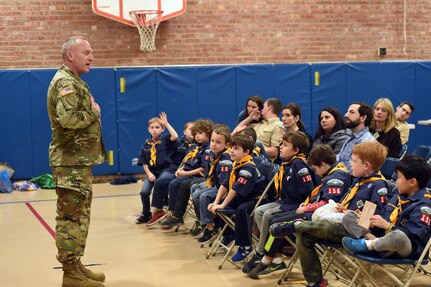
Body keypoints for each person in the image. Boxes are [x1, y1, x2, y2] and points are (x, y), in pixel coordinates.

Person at [269, 141, 390, 287]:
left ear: (366, 165)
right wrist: (342, 208)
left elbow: (370, 218)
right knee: (304, 235)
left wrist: (351, 214)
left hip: (358, 233)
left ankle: (298, 225)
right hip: (343, 222)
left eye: (354, 161)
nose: (350, 164)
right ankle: (315, 281)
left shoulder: (377, 186)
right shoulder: (358, 181)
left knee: (325, 228)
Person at [47, 36, 106, 287]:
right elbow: (68, 119)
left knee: (79, 217)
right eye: (86, 52)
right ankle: (70, 274)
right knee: (71, 219)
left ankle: (76, 266)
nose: (91, 57)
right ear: (70, 55)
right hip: (70, 163)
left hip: (77, 163)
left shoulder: (74, 81)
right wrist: (94, 111)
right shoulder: (65, 83)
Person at [246, 145, 351, 279]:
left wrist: (306, 207)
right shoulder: (331, 173)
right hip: (314, 212)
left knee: (278, 223)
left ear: (323, 164)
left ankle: (266, 260)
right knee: (274, 221)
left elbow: (328, 204)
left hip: (321, 217)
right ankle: (275, 260)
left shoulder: (336, 177)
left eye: (315, 168)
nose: (316, 173)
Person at [243, 131, 318, 276]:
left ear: (296, 150)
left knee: (268, 215)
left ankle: (260, 252)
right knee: (259, 211)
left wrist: (304, 207)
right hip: (285, 202)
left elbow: (309, 192)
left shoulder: (299, 165)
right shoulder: (288, 163)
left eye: (285, 145)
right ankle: (276, 258)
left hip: (297, 205)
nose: (281, 147)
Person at [342, 155, 431, 261]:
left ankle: (371, 245)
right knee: (349, 217)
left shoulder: (424, 206)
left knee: (399, 237)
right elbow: (383, 219)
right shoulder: (396, 197)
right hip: (383, 238)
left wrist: (389, 226)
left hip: (405, 248)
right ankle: (374, 243)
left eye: (399, 178)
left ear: (412, 182)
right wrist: (371, 221)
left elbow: (414, 236)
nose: (396, 181)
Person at [208, 134, 266, 262]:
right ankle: (229, 234)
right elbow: (225, 184)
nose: (231, 151)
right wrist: (217, 202)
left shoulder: (248, 168)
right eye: (231, 148)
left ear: (246, 152)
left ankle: (246, 246)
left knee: (241, 210)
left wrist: (222, 205)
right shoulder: (237, 164)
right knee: (217, 205)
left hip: (255, 199)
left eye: (236, 148)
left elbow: (235, 189)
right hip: (243, 196)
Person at [159, 119, 213, 228]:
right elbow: (188, 161)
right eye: (196, 133)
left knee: (181, 184)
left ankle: (179, 216)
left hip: (198, 176)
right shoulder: (195, 146)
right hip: (188, 173)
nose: (197, 136)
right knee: (172, 183)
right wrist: (181, 170)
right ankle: (174, 214)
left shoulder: (208, 149)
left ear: (208, 133)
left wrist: (184, 173)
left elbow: (202, 169)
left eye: (200, 133)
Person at [145, 121, 195, 226]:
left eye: (196, 130)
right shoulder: (178, 142)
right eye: (190, 129)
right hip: (174, 169)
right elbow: (173, 136)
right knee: (160, 181)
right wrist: (166, 124)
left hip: (187, 171)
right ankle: (158, 212)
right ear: (184, 131)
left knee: (174, 184)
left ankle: (173, 214)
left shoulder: (199, 144)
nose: (194, 132)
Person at [135, 113, 178, 224]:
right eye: (152, 128)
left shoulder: (165, 140)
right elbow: (143, 162)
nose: (154, 130)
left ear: (162, 129)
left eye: (157, 127)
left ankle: (161, 208)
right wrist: (149, 174)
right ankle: (146, 213)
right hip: (152, 172)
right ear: (148, 130)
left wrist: (166, 123)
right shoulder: (146, 145)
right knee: (144, 192)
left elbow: (175, 136)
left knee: (161, 182)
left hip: (166, 170)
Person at [337, 102, 375, 172]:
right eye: (347, 112)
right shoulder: (351, 138)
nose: (346, 115)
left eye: (352, 112)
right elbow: (339, 158)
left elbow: (353, 170)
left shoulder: (366, 142)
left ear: (363, 118)